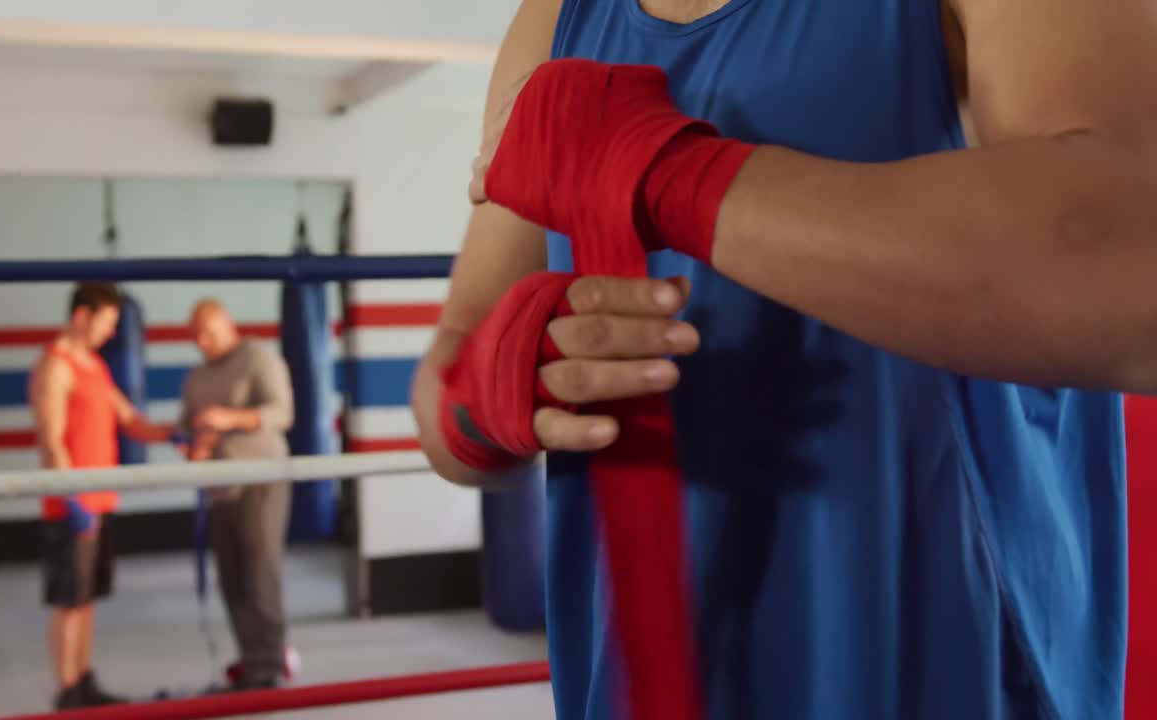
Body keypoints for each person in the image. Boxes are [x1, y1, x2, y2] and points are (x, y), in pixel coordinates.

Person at [411, 1, 1157, 719]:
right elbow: (453, 379)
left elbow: (1130, 274)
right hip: (641, 670)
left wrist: (674, 176)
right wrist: (497, 385)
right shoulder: (555, 15)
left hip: (938, 649)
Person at [28, 282, 173, 710]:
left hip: (102, 501)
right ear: (81, 316)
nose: (112, 333)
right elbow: (52, 440)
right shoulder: (55, 367)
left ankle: (84, 680)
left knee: (88, 599)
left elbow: (130, 420)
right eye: (107, 322)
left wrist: (175, 433)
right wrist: (71, 500)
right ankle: (67, 690)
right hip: (71, 506)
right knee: (70, 602)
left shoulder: (93, 365)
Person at [180, 298, 295, 691]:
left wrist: (229, 418)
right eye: (196, 335)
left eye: (208, 332)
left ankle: (270, 665)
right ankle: (250, 659)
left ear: (228, 324)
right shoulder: (196, 378)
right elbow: (185, 430)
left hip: (261, 480)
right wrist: (193, 445)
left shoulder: (257, 358)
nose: (202, 341)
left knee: (260, 571)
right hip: (219, 487)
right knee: (231, 577)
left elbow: (283, 413)